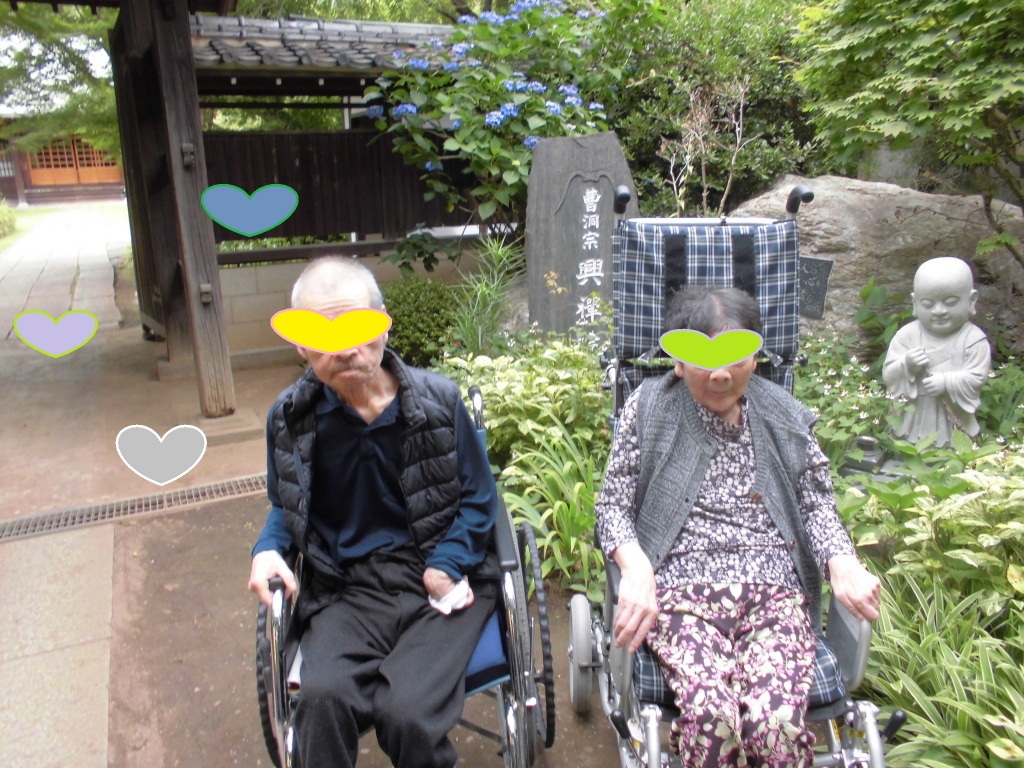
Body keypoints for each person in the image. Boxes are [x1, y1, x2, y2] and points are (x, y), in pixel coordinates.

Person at [595, 286, 881, 768]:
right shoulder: (648, 409)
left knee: (775, 725)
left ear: (755, 357)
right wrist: (637, 567)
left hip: (776, 596)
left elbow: (816, 503)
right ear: (678, 361)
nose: (721, 374)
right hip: (680, 596)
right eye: (704, 359)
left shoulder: (783, 415)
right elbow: (612, 507)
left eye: (735, 356)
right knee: (712, 719)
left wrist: (842, 562)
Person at [247, 256, 499, 768]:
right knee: (321, 701)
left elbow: (479, 499)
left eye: (356, 328)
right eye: (323, 335)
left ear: (384, 326)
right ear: (300, 345)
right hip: (347, 589)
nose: (345, 349)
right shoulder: (290, 419)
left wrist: (448, 562)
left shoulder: (439, 401)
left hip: (440, 582)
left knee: (408, 714)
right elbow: (285, 504)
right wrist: (268, 549)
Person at [883, 256, 991, 447]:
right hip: (914, 413)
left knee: (954, 445)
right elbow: (889, 375)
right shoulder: (907, 335)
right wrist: (906, 365)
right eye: (927, 304)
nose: (939, 311)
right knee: (906, 445)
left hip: (951, 413)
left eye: (950, 302)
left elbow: (977, 377)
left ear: (971, 299)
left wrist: (947, 382)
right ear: (915, 302)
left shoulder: (973, 339)